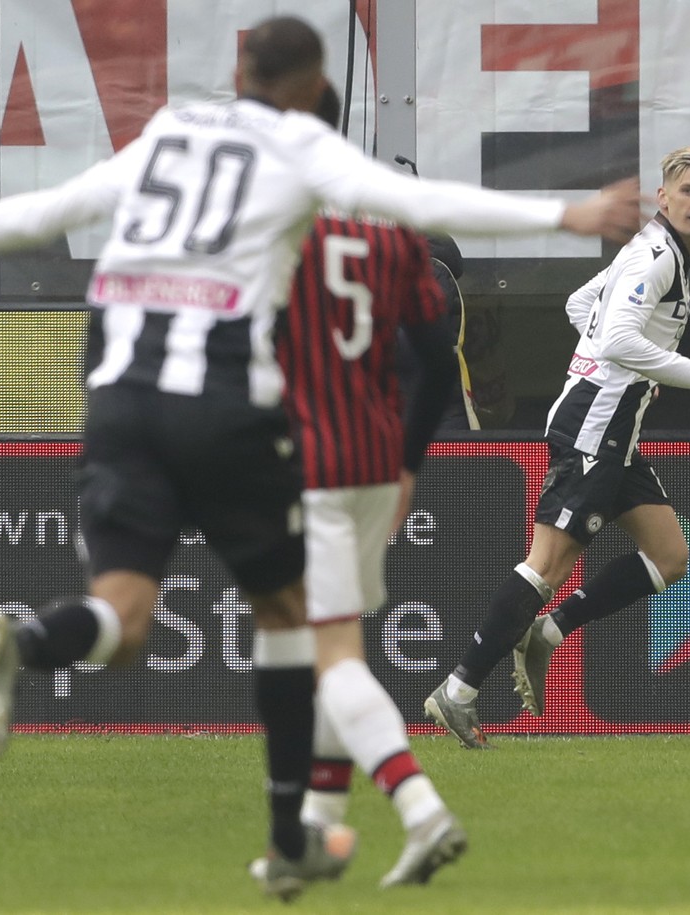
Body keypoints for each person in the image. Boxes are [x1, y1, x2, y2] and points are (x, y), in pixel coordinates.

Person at [0, 15, 640, 900]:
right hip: (221, 403)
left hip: (112, 401)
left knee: (124, 615)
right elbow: (423, 210)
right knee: (299, 626)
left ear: (239, 66)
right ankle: (302, 829)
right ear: (309, 87)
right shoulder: (300, 145)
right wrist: (570, 211)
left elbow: (52, 207)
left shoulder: (170, 131)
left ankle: (24, 639)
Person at [424, 147, 690, 749]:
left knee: (670, 557)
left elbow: (584, 307)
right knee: (545, 566)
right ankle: (460, 690)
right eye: (689, 192)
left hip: (614, 429)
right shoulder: (655, 258)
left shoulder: (658, 253)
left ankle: (546, 634)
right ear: (663, 197)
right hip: (596, 427)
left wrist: (601, 356)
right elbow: (620, 336)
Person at [251, 84, 468, 888]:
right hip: (377, 461)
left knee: (331, 657)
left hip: (310, 464)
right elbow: (439, 362)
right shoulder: (389, 220)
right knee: (335, 647)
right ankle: (313, 836)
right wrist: (410, 463)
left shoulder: (271, 223)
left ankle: (422, 810)